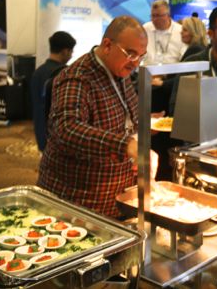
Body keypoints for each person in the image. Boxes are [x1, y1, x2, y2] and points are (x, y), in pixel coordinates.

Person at [38, 16, 156, 218]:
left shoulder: (120, 71)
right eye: (130, 54)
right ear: (108, 45)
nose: (135, 63)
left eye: (141, 56)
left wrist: (141, 142)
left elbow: (127, 118)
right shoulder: (77, 77)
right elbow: (66, 128)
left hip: (114, 200)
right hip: (78, 203)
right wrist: (126, 145)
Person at [30, 31, 76, 152]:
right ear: (65, 51)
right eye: (71, 52)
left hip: (40, 132)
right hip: (57, 137)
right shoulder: (66, 74)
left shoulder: (37, 73)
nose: (71, 55)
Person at [143, 0, 186, 65]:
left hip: (172, 70)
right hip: (148, 69)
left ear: (168, 15)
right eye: (153, 16)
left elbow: (183, 58)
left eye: (158, 16)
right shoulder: (145, 29)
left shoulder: (180, 31)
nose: (155, 19)